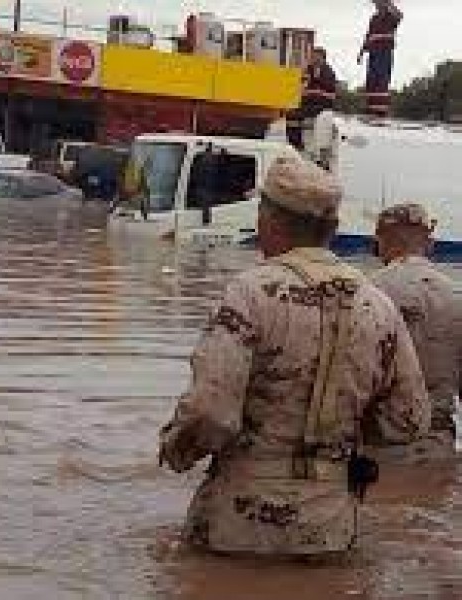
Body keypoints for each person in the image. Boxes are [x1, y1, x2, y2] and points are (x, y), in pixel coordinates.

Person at [158, 153, 430, 557]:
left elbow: (211, 413)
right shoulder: (378, 305)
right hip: (331, 525)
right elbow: (409, 420)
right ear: (333, 229)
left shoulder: (250, 292)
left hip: (239, 520)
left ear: (267, 219)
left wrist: (177, 449)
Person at [370, 203, 462, 462]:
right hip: (438, 452)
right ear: (430, 245)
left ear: (378, 243)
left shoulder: (365, 293)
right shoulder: (457, 297)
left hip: (373, 451)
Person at [358, 0, 403, 117]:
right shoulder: (374, 18)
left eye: (378, 2)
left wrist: (389, 4)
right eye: (375, 3)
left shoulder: (391, 16)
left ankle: (380, 111)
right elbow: (368, 35)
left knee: (381, 80)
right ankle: (370, 108)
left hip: (384, 53)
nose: (376, 5)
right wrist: (361, 52)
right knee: (371, 80)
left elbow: (399, 16)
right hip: (373, 52)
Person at [288, 47, 337, 151]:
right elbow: (301, 84)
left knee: (296, 114)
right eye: (312, 56)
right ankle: (295, 144)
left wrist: (317, 92)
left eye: (315, 56)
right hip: (307, 103)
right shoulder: (309, 69)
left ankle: (298, 145)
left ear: (322, 58)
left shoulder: (329, 73)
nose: (312, 58)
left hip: (322, 105)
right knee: (291, 113)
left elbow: (332, 95)